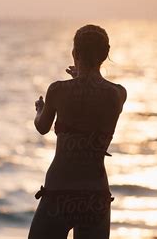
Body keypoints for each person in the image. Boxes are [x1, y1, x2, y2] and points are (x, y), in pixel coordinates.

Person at [28, 24, 127, 239]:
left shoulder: (58, 90)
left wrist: (40, 110)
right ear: (105, 54)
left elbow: (42, 127)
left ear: (75, 53)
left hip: (59, 191)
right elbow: (90, 105)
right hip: (95, 195)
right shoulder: (117, 94)